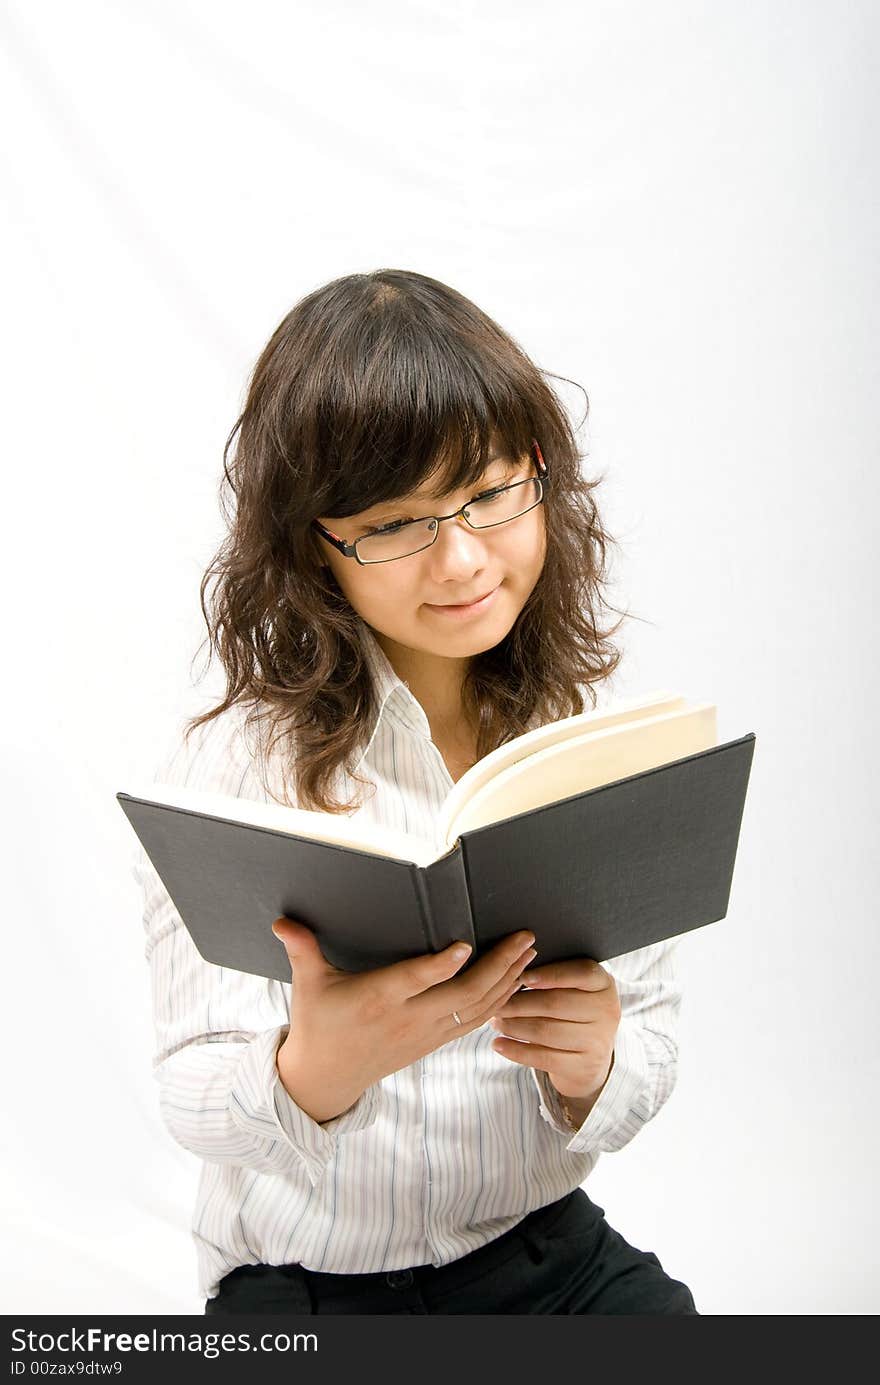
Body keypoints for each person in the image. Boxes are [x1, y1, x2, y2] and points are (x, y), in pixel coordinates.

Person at [133, 268, 698, 1315]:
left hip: (546, 1255)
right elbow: (187, 1088)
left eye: (488, 492)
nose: (463, 559)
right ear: (316, 546)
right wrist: (317, 1067)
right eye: (396, 523)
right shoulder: (232, 765)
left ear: (540, 470)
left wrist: (595, 1061)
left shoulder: (587, 733)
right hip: (305, 1285)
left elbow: (651, 1042)